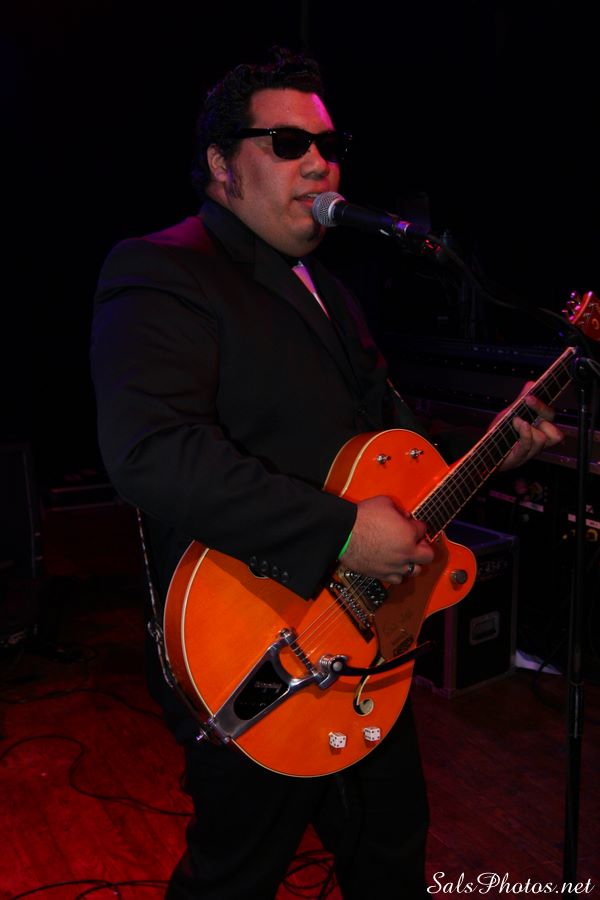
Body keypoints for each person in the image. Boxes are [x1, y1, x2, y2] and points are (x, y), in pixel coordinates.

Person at [91, 47, 562, 899]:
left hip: (363, 644)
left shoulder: (328, 290)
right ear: (222, 165)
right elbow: (151, 452)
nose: (319, 162)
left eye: (329, 144)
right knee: (236, 876)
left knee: (391, 855)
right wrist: (343, 533)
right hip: (254, 647)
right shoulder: (163, 267)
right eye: (287, 143)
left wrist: (493, 443)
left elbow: (391, 445)